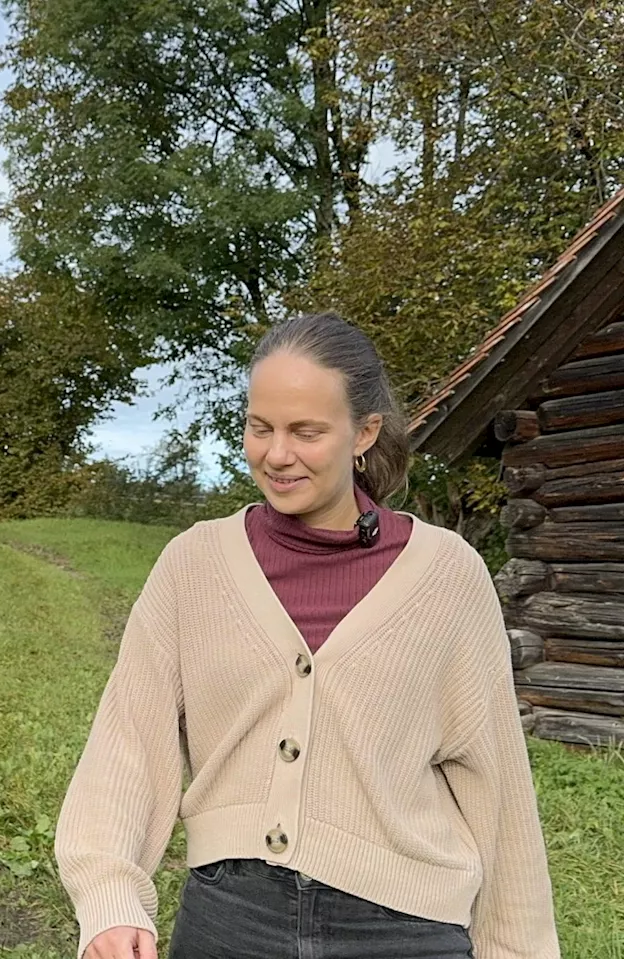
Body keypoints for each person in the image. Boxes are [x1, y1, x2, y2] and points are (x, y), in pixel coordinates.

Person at [54, 312, 559, 959]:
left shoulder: (448, 577)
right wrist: (109, 894)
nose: (277, 453)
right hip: (229, 922)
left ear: (364, 431)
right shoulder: (194, 565)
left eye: (306, 431)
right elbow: (127, 740)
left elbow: (498, 788)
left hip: (405, 929)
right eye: (259, 427)